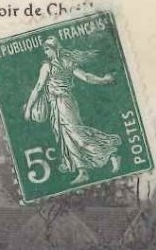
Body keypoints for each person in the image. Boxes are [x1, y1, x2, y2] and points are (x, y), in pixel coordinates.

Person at [23, 36, 122, 185]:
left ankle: (112, 153)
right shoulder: (63, 63)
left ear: (55, 49)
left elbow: (38, 87)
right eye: (44, 49)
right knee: (67, 137)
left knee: (77, 135)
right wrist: (104, 80)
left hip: (63, 102)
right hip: (59, 104)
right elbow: (86, 77)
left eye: (47, 49)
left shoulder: (50, 66)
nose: (45, 52)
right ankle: (82, 171)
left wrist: (29, 108)